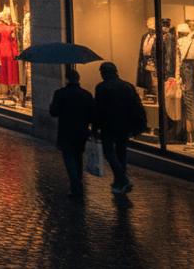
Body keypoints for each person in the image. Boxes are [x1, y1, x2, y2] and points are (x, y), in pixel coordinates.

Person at [93, 61, 147, 195]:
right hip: (124, 125)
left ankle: (122, 179)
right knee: (121, 152)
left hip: (108, 125)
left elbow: (98, 109)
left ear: (104, 73)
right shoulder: (127, 86)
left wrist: (95, 126)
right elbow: (136, 105)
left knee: (109, 152)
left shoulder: (102, 87)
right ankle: (119, 181)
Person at [49, 68, 95, 197]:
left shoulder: (60, 93)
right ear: (78, 79)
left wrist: (52, 105)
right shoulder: (86, 94)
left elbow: (54, 112)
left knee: (69, 157)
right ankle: (77, 182)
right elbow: (92, 115)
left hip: (66, 130)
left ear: (67, 79)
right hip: (81, 131)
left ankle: (76, 185)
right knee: (78, 156)